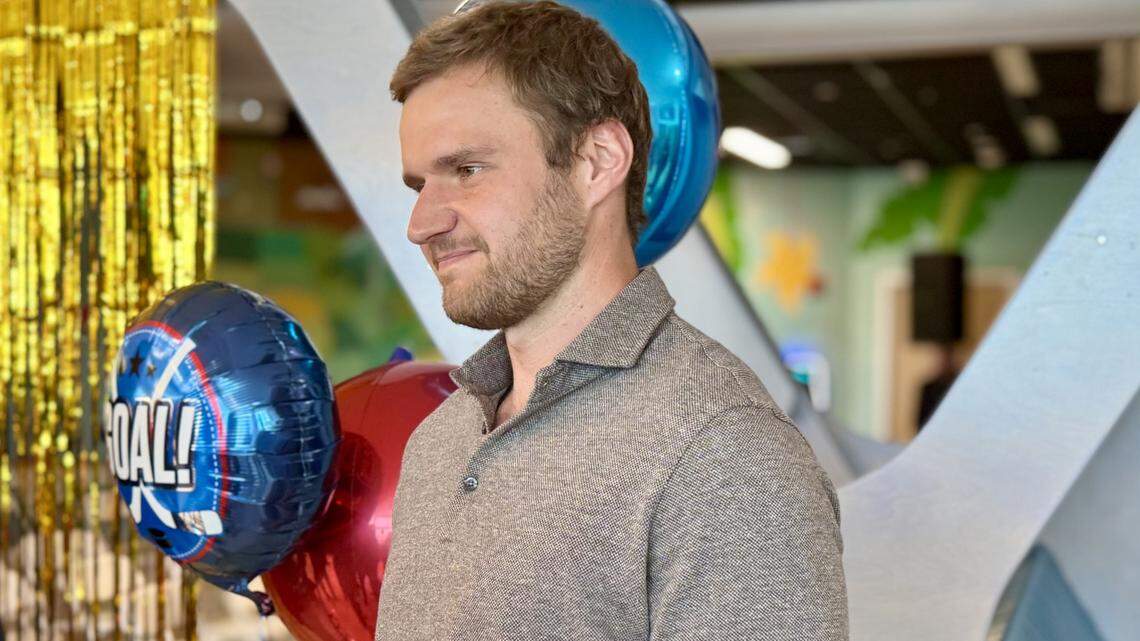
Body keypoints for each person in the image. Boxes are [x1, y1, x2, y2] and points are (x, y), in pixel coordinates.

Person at [374, 2, 848, 639]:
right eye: (417, 185)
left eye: (466, 170)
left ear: (597, 161)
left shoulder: (727, 450)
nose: (422, 224)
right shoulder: (441, 438)